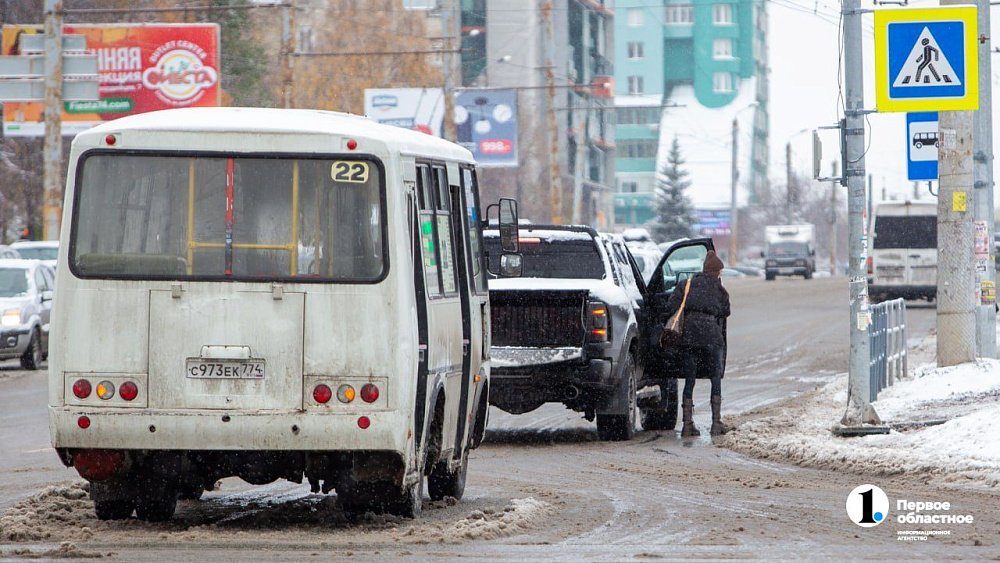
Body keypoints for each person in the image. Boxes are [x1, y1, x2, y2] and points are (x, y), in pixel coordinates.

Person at [665, 250, 731, 437]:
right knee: (715, 377)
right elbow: (726, 311)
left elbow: (670, 307)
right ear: (716, 271)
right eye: (720, 272)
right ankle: (716, 423)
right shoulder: (719, 289)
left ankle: (687, 424)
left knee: (690, 379)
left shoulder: (686, 285)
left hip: (690, 336)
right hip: (712, 336)